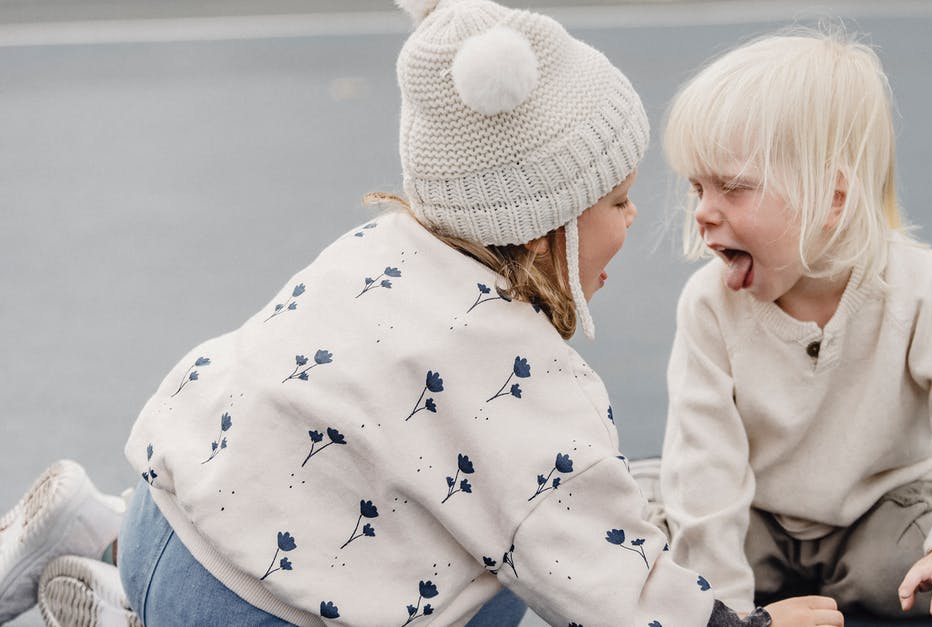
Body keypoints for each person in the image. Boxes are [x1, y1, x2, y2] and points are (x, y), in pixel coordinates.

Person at [0, 1, 848, 625]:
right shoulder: (524, 379)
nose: (634, 220)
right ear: (549, 224)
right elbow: (595, 573)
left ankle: (104, 544)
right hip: (251, 611)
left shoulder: (375, 248)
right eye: (618, 201)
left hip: (165, 516)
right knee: (495, 582)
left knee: (351, 485)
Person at [654, 28, 932, 620]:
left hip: (880, 506)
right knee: (664, 557)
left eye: (732, 187)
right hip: (760, 509)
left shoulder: (915, 286)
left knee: (904, 579)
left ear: (832, 198)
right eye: (697, 187)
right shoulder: (710, 305)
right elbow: (706, 464)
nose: (704, 211)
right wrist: (730, 614)